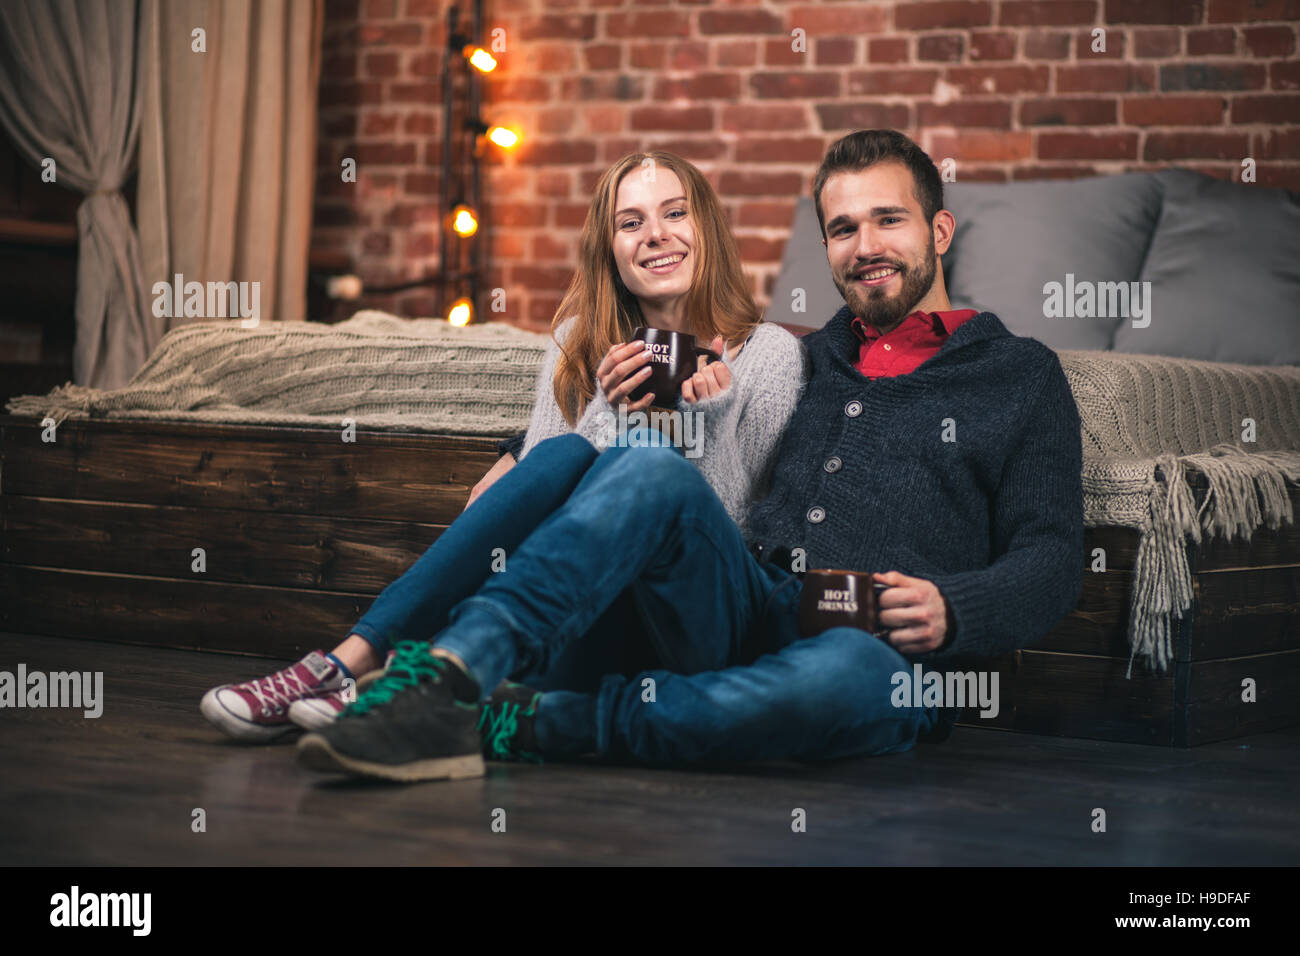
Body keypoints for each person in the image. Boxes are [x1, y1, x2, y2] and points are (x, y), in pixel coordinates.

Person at [294, 128, 1085, 781]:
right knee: (649, 464)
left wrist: (959, 610)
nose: (866, 247)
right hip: (750, 603)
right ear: (826, 248)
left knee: (854, 678)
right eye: (844, 230)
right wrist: (535, 444)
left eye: (890, 221)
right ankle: (450, 674)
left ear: (938, 231)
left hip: (873, 639)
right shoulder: (817, 353)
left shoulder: (1017, 376)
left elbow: (1052, 554)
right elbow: (666, 459)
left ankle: (522, 719)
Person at [199, 150, 805, 742]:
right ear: (610, 251)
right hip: (570, 623)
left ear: (707, 229)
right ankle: (343, 666)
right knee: (564, 454)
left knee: (636, 457)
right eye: (630, 222)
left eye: (675, 213)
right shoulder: (577, 341)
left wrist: (710, 419)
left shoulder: (769, 354)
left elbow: (737, 536)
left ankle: (384, 677)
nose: (654, 234)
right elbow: (538, 511)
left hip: (682, 631)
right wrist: (608, 410)